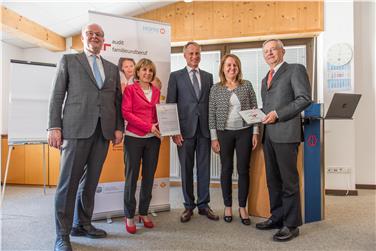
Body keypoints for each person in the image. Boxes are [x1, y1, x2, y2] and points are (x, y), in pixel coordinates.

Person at [48, 23, 124, 251]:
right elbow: (57, 95)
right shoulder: (69, 61)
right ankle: (62, 235)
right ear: (82, 38)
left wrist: (119, 127)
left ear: (104, 40)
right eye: (90, 34)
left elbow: (116, 101)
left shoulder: (111, 68)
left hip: (103, 132)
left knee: (90, 183)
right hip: (75, 130)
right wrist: (54, 126)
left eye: (99, 34)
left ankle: (82, 224)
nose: (95, 37)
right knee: (67, 184)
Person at [255, 39, 312, 242]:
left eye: (273, 49)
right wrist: (255, 115)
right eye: (266, 51)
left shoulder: (295, 69)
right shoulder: (265, 79)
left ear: (282, 51)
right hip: (268, 135)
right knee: (273, 181)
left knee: (289, 182)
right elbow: (267, 107)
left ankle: (291, 224)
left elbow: (304, 98)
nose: (269, 53)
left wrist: (278, 114)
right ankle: (277, 217)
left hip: (287, 134)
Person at [167, 41, 219, 223]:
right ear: (184, 55)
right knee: (187, 169)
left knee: (204, 169)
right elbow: (171, 105)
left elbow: (211, 105)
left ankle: (204, 205)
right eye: (191, 53)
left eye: (197, 53)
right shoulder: (175, 77)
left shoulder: (208, 77)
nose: (194, 56)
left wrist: (214, 132)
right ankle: (188, 206)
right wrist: (174, 131)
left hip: (204, 130)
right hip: (184, 131)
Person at [209, 54, 259, 225]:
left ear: (239, 68)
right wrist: (214, 138)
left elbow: (254, 109)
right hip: (224, 133)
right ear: (223, 68)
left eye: (235, 65)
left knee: (243, 170)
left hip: (245, 132)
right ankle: (228, 205)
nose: (232, 68)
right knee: (226, 169)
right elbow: (211, 115)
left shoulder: (247, 86)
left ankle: (243, 207)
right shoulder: (216, 88)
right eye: (228, 65)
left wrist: (255, 132)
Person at [122, 58, 161, 234]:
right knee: (131, 177)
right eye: (144, 70)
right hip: (134, 138)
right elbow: (126, 113)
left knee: (149, 177)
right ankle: (129, 215)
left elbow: (158, 114)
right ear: (137, 72)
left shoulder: (157, 91)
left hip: (153, 139)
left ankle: (143, 212)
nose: (147, 73)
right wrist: (148, 127)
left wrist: (166, 127)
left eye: (150, 71)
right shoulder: (130, 90)